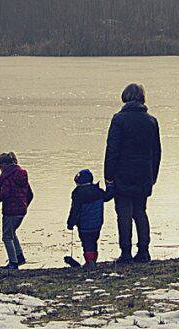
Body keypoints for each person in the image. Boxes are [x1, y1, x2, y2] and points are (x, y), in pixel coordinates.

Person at [104, 83, 161, 263]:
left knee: (124, 213)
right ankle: (144, 251)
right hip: (144, 173)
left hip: (123, 173)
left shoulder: (118, 119)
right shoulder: (151, 121)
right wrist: (153, 176)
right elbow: (157, 151)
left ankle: (126, 252)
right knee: (140, 212)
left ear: (125, 97)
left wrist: (109, 176)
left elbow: (112, 150)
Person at [0, 152, 33, 270]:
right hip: (21, 211)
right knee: (12, 233)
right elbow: (30, 194)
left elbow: (5, 193)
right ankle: (19, 257)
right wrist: (24, 206)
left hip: (10, 211)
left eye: (0, 167)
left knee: (7, 237)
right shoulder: (22, 175)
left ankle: (13, 263)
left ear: (3, 165)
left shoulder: (8, 176)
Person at [66, 168, 113, 268]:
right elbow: (108, 196)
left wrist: (70, 223)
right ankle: (92, 260)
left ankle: (90, 262)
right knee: (94, 242)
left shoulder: (77, 193)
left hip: (83, 225)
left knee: (86, 244)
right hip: (97, 223)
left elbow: (75, 210)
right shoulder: (98, 191)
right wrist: (110, 186)